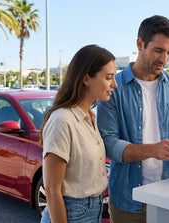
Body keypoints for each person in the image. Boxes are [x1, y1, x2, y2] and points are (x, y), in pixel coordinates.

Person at [97, 15, 169, 223]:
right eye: (159, 50)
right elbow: (108, 143)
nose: (164, 59)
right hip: (128, 199)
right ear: (140, 44)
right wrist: (153, 150)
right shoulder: (113, 87)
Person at [39, 44, 117, 223]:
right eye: (108, 77)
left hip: (93, 209)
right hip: (72, 214)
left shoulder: (90, 116)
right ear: (86, 79)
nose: (114, 84)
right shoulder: (63, 120)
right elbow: (51, 189)